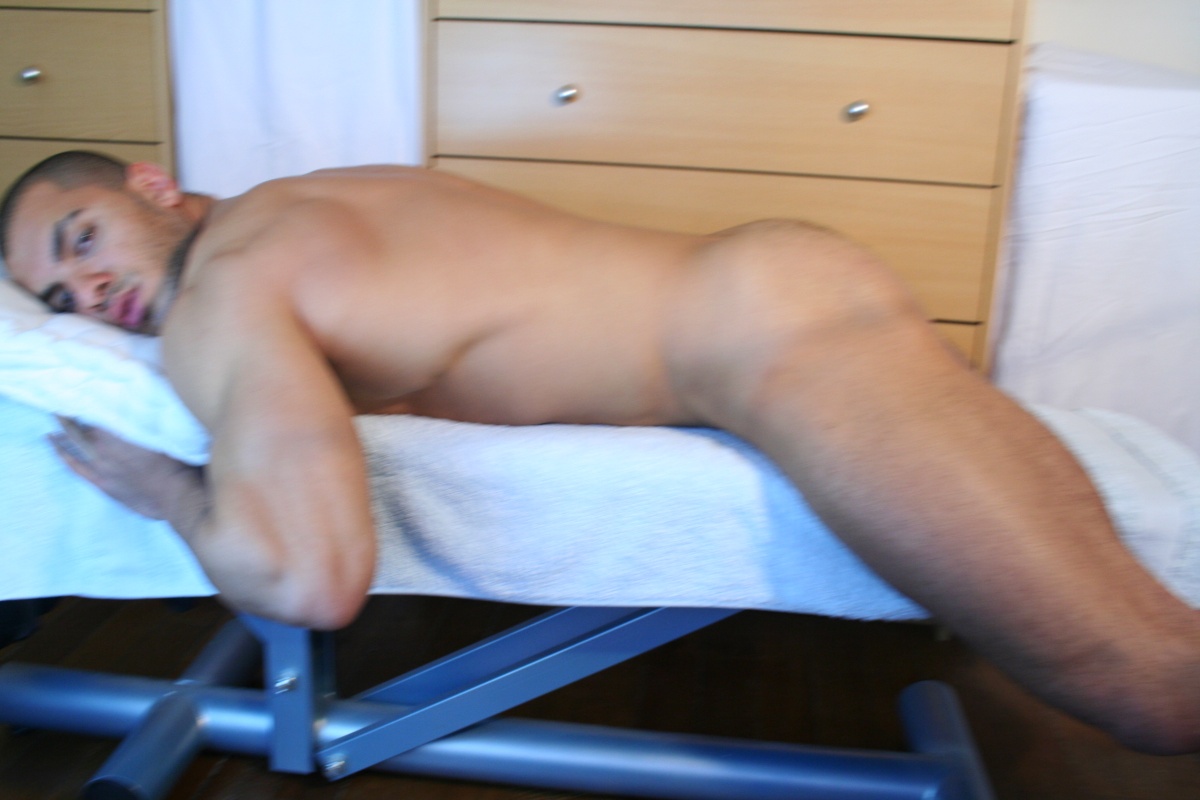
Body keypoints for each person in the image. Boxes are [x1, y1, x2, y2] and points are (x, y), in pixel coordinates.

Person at [1, 151, 1197, 755]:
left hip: (775, 347)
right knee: (1158, 643)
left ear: (153, 185)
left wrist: (171, 490)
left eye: (82, 237)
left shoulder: (225, 295)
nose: (87, 292)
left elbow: (311, 576)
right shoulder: (294, 200)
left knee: (1151, 687)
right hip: (778, 296)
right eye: (57, 295)